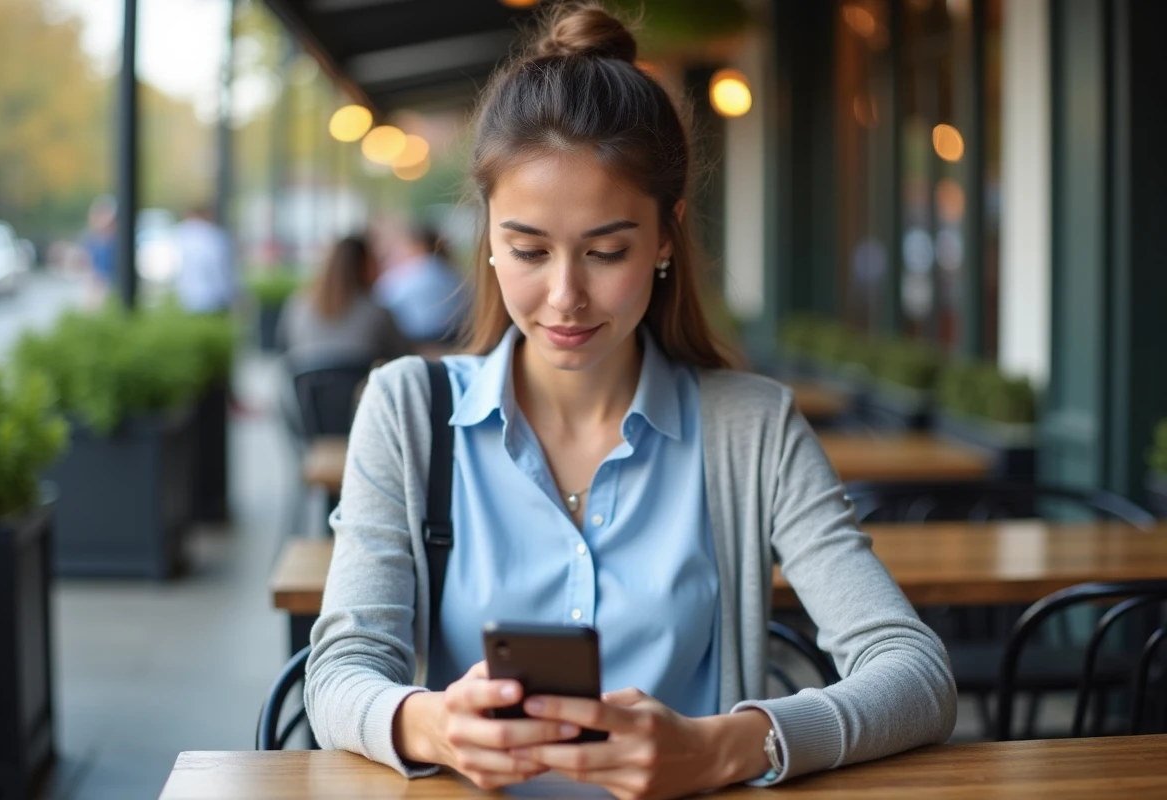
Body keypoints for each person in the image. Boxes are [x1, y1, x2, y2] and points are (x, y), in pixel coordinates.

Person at [305, 4, 956, 798]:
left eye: (607, 251)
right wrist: (430, 722)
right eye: (528, 250)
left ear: (666, 237)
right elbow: (338, 673)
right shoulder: (406, 410)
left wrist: (727, 747)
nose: (565, 297)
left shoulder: (749, 429)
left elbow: (917, 676)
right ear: (488, 238)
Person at [277, 234, 410, 365]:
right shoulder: (376, 312)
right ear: (364, 265)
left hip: (310, 386)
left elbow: (285, 351)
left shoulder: (297, 306)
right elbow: (401, 356)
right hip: (362, 385)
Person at [372, 219, 464, 343]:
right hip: (454, 339)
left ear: (418, 245)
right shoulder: (452, 273)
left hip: (418, 341)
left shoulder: (411, 273)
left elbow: (380, 297)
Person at [173, 205, 238, 314]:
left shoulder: (179, 235)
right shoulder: (214, 236)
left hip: (187, 297)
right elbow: (221, 270)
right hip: (213, 297)